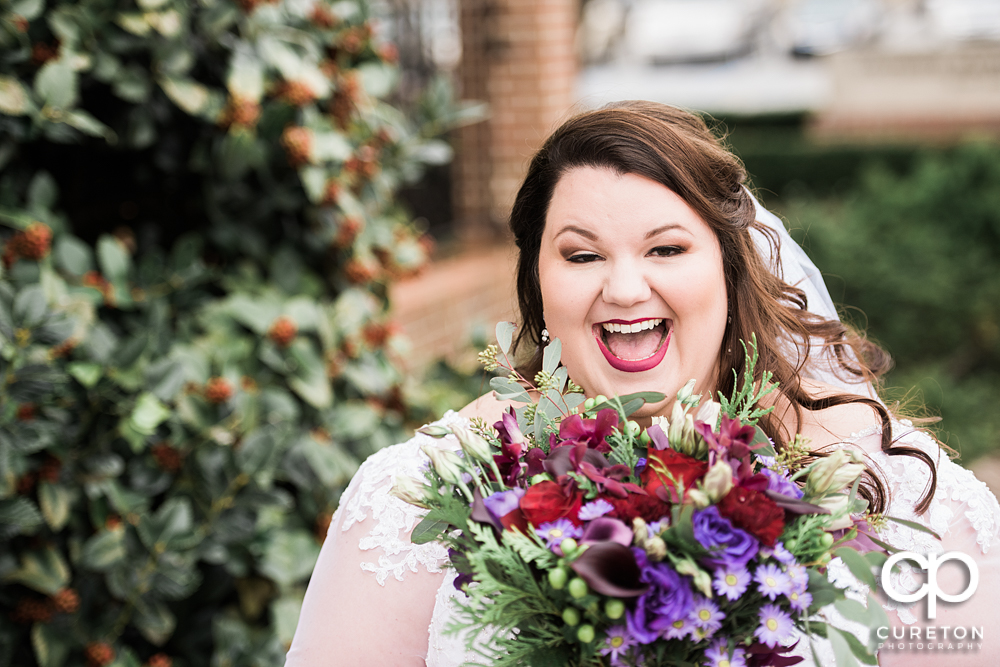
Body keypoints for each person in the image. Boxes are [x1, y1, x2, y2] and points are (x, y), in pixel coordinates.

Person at [284, 102, 1000, 666]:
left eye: (666, 248)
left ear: (727, 266)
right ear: (538, 278)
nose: (625, 287)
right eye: (582, 253)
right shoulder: (423, 493)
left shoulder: (895, 488)